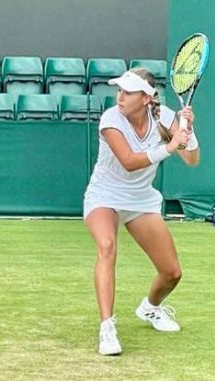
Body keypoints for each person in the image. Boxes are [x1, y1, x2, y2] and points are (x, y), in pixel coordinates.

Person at [84, 68, 200, 356]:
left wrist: (188, 133)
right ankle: (107, 327)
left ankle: (150, 308)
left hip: (141, 200)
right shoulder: (111, 118)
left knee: (172, 273)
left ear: (146, 98)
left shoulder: (165, 117)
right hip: (104, 196)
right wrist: (169, 147)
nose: (120, 97)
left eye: (128, 92)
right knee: (107, 247)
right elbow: (128, 161)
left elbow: (192, 159)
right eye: (119, 91)